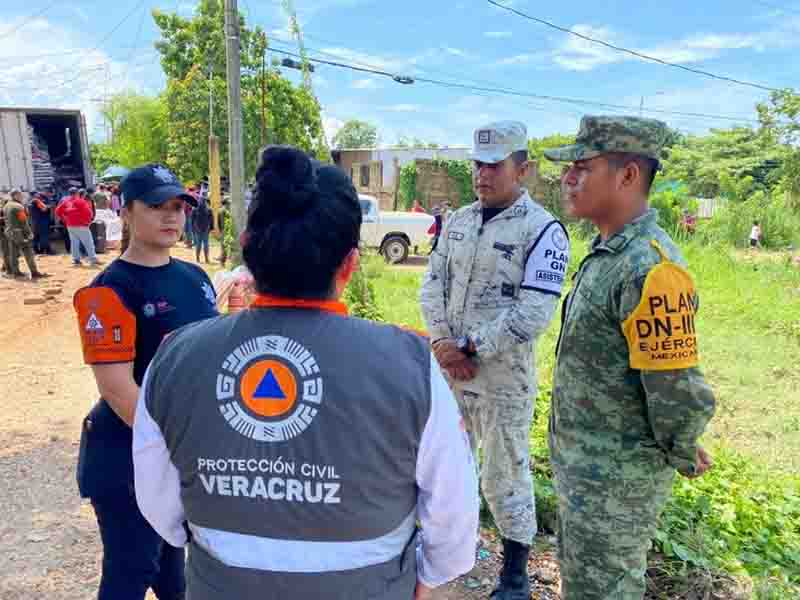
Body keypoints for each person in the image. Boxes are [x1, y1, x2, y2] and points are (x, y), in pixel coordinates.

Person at [132, 146, 480, 600]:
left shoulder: (175, 357)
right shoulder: (410, 365)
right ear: (351, 264)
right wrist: (426, 577)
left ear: (246, 249)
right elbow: (453, 518)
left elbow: (161, 508)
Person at [543, 116, 717, 600]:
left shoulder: (651, 268)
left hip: (615, 485)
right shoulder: (610, 252)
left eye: (582, 167)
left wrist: (682, 442)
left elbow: (676, 387)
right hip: (586, 471)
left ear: (628, 175)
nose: (567, 178)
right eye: (569, 168)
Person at [420, 121, 570, 600]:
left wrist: (469, 349)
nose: (482, 174)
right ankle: (444, 554)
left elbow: (532, 314)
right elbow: (432, 285)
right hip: (450, 372)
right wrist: (444, 344)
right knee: (444, 462)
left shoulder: (544, 231)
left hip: (504, 379)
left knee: (505, 472)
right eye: (478, 164)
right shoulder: (459, 221)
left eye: (494, 165)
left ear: (522, 169)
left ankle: (514, 577)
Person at [72, 164, 219, 600]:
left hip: (175, 450)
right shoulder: (109, 290)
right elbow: (118, 390)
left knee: (175, 575)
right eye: (156, 206)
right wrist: (179, 445)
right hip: (126, 456)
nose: (171, 216)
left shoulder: (195, 278)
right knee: (131, 570)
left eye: (178, 206)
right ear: (126, 211)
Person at [3, 189, 48, 279]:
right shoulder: (18, 207)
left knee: (13, 253)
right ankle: (34, 272)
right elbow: (24, 222)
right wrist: (29, 233)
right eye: (20, 195)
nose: (22, 197)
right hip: (20, 233)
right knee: (28, 252)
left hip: (10, 232)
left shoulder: (6, 206)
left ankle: (16, 272)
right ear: (15, 195)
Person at [56, 187, 100, 267]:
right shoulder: (81, 201)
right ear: (77, 193)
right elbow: (89, 213)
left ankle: (76, 260)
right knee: (88, 242)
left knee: (74, 243)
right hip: (81, 225)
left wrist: (65, 220)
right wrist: (88, 222)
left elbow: (58, 211)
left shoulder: (65, 201)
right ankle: (93, 259)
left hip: (70, 225)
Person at [191, 196, 213, 263]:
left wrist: (193, 229)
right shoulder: (209, 209)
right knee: (206, 244)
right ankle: (206, 259)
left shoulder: (195, 209)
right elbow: (211, 220)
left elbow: (192, 220)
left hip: (198, 229)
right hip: (206, 229)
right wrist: (210, 228)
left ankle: (198, 259)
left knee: (198, 244)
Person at [217, 197, 231, 265]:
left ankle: (222, 261)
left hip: (223, 230)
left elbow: (218, 222)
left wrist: (220, 230)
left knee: (223, 246)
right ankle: (223, 260)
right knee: (227, 246)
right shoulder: (228, 210)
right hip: (228, 229)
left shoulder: (220, 210)